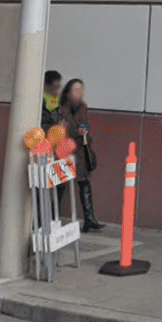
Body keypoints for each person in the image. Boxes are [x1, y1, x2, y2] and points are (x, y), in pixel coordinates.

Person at [49, 78, 102, 231]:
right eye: (75, 91)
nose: (78, 94)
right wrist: (76, 132)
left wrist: (85, 134)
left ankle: (89, 219)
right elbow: (60, 130)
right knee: (61, 186)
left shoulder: (83, 107)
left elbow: (86, 126)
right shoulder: (61, 108)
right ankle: (53, 218)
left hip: (80, 151)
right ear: (68, 92)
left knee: (85, 183)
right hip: (66, 150)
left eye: (81, 91)